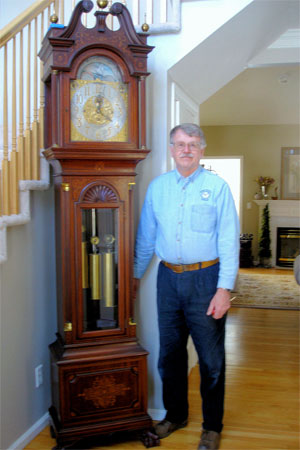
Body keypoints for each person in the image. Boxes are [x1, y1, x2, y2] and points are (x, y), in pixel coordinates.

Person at [133, 123, 240, 450]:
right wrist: (134, 279)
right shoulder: (157, 188)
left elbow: (228, 241)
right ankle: (175, 415)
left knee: (210, 360)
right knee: (170, 356)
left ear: (202, 149)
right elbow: (146, 239)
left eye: (193, 144)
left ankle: (212, 426)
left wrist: (224, 289)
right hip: (168, 280)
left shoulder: (217, 187)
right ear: (171, 148)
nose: (186, 150)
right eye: (180, 144)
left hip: (206, 281)